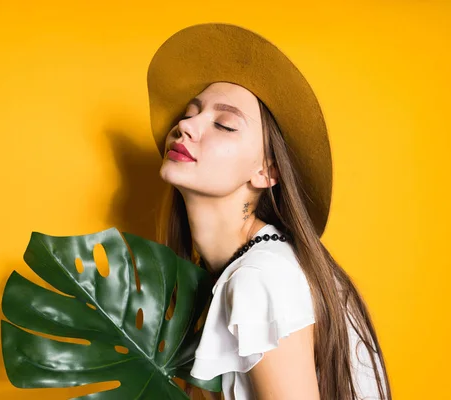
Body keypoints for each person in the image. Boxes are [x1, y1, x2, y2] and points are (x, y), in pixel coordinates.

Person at [147, 23, 392, 400]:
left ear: (266, 171)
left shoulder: (261, 277)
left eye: (224, 124)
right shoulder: (260, 266)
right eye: (188, 113)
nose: (185, 126)